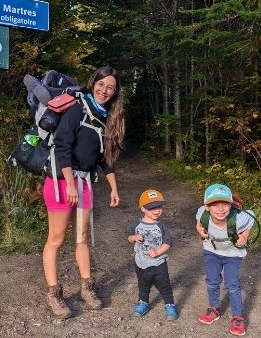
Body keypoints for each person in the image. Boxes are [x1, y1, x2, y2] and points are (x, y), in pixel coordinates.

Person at [42, 66, 125, 319]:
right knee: (57, 239)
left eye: (110, 87)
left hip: (85, 182)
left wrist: (113, 187)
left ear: (115, 92)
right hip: (61, 181)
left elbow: (104, 158)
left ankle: (87, 288)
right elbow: (62, 145)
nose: (104, 90)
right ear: (93, 84)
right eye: (101, 85)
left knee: (82, 237)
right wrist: (69, 183)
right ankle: (54, 294)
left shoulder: (105, 118)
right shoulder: (77, 108)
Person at [195, 183, 253, 336]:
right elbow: (198, 219)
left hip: (233, 254)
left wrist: (244, 236)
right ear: (207, 206)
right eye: (215, 204)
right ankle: (214, 308)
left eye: (225, 204)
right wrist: (199, 228)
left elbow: (251, 218)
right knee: (212, 280)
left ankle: (238, 316)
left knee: (232, 284)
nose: (220, 209)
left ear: (230, 204)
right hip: (211, 251)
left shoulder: (239, 219)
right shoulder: (202, 213)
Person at [129, 189, 177, 320]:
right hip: (141, 262)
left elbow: (168, 243)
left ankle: (169, 304)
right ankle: (143, 302)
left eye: (159, 207)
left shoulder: (161, 226)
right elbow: (129, 238)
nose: (157, 211)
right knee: (143, 284)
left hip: (158, 263)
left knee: (164, 285)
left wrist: (157, 252)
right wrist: (133, 237)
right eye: (152, 208)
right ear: (143, 208)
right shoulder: (136, 224)